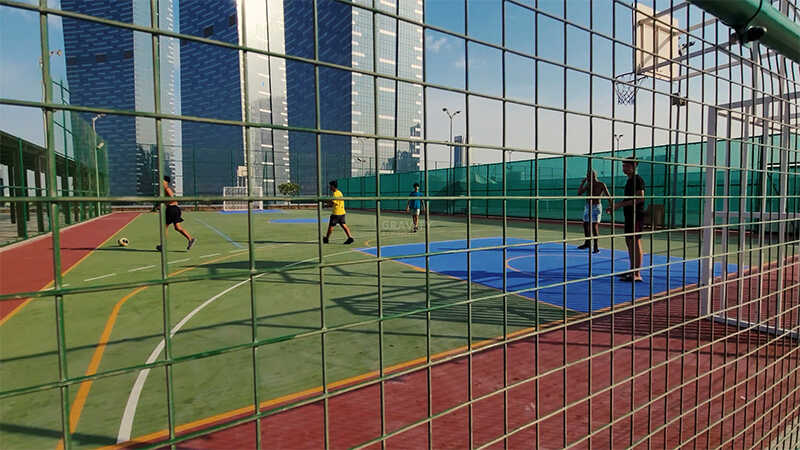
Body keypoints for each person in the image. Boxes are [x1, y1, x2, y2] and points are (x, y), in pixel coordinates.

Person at [607, 157, 645, 282]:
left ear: (634, 167)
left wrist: (620, 205)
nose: (625, 168)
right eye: (623, 166)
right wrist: (615, 206)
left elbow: (640, 199)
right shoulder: (629, 181)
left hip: (636, 216)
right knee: (629, 242)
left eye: (627, 166)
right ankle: (632, 271)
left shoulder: (637, 180)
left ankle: (637, 273)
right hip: (629, 216)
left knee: (635, 241)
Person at [156, 176, 196, 251]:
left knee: (164, 227)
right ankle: (190, 239)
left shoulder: (167, 189)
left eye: (162, 181)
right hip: (174, 209)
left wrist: (163, 203)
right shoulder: (163, 190)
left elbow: (172, 199)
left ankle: (163, 245)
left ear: (166, 182)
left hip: (172, 209)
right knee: (177, 227)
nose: (160, 182)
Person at [576, 169, 611, 253]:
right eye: (587, 176)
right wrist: (582, 182)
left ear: (594, 175)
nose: (587, 177)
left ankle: (596, 246)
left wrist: (611, 206)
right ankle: (587, 243)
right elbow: (579, 193)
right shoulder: (588, 185)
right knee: (585, 224)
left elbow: (608, 195)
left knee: (594, 226)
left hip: (596, 206)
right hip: (588, 206)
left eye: (588, 176)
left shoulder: (601, 184)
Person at [323, 180, 355, 244]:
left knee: (331, 226)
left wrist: (326, 203)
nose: (330, 187)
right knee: (343, 225)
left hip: (336, 213)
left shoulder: (335, 194)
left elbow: (334, 203)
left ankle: (326, 238)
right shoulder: (340, 192)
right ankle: (350, 237)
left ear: (333, 186)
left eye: (330, 186)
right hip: (342, 212)